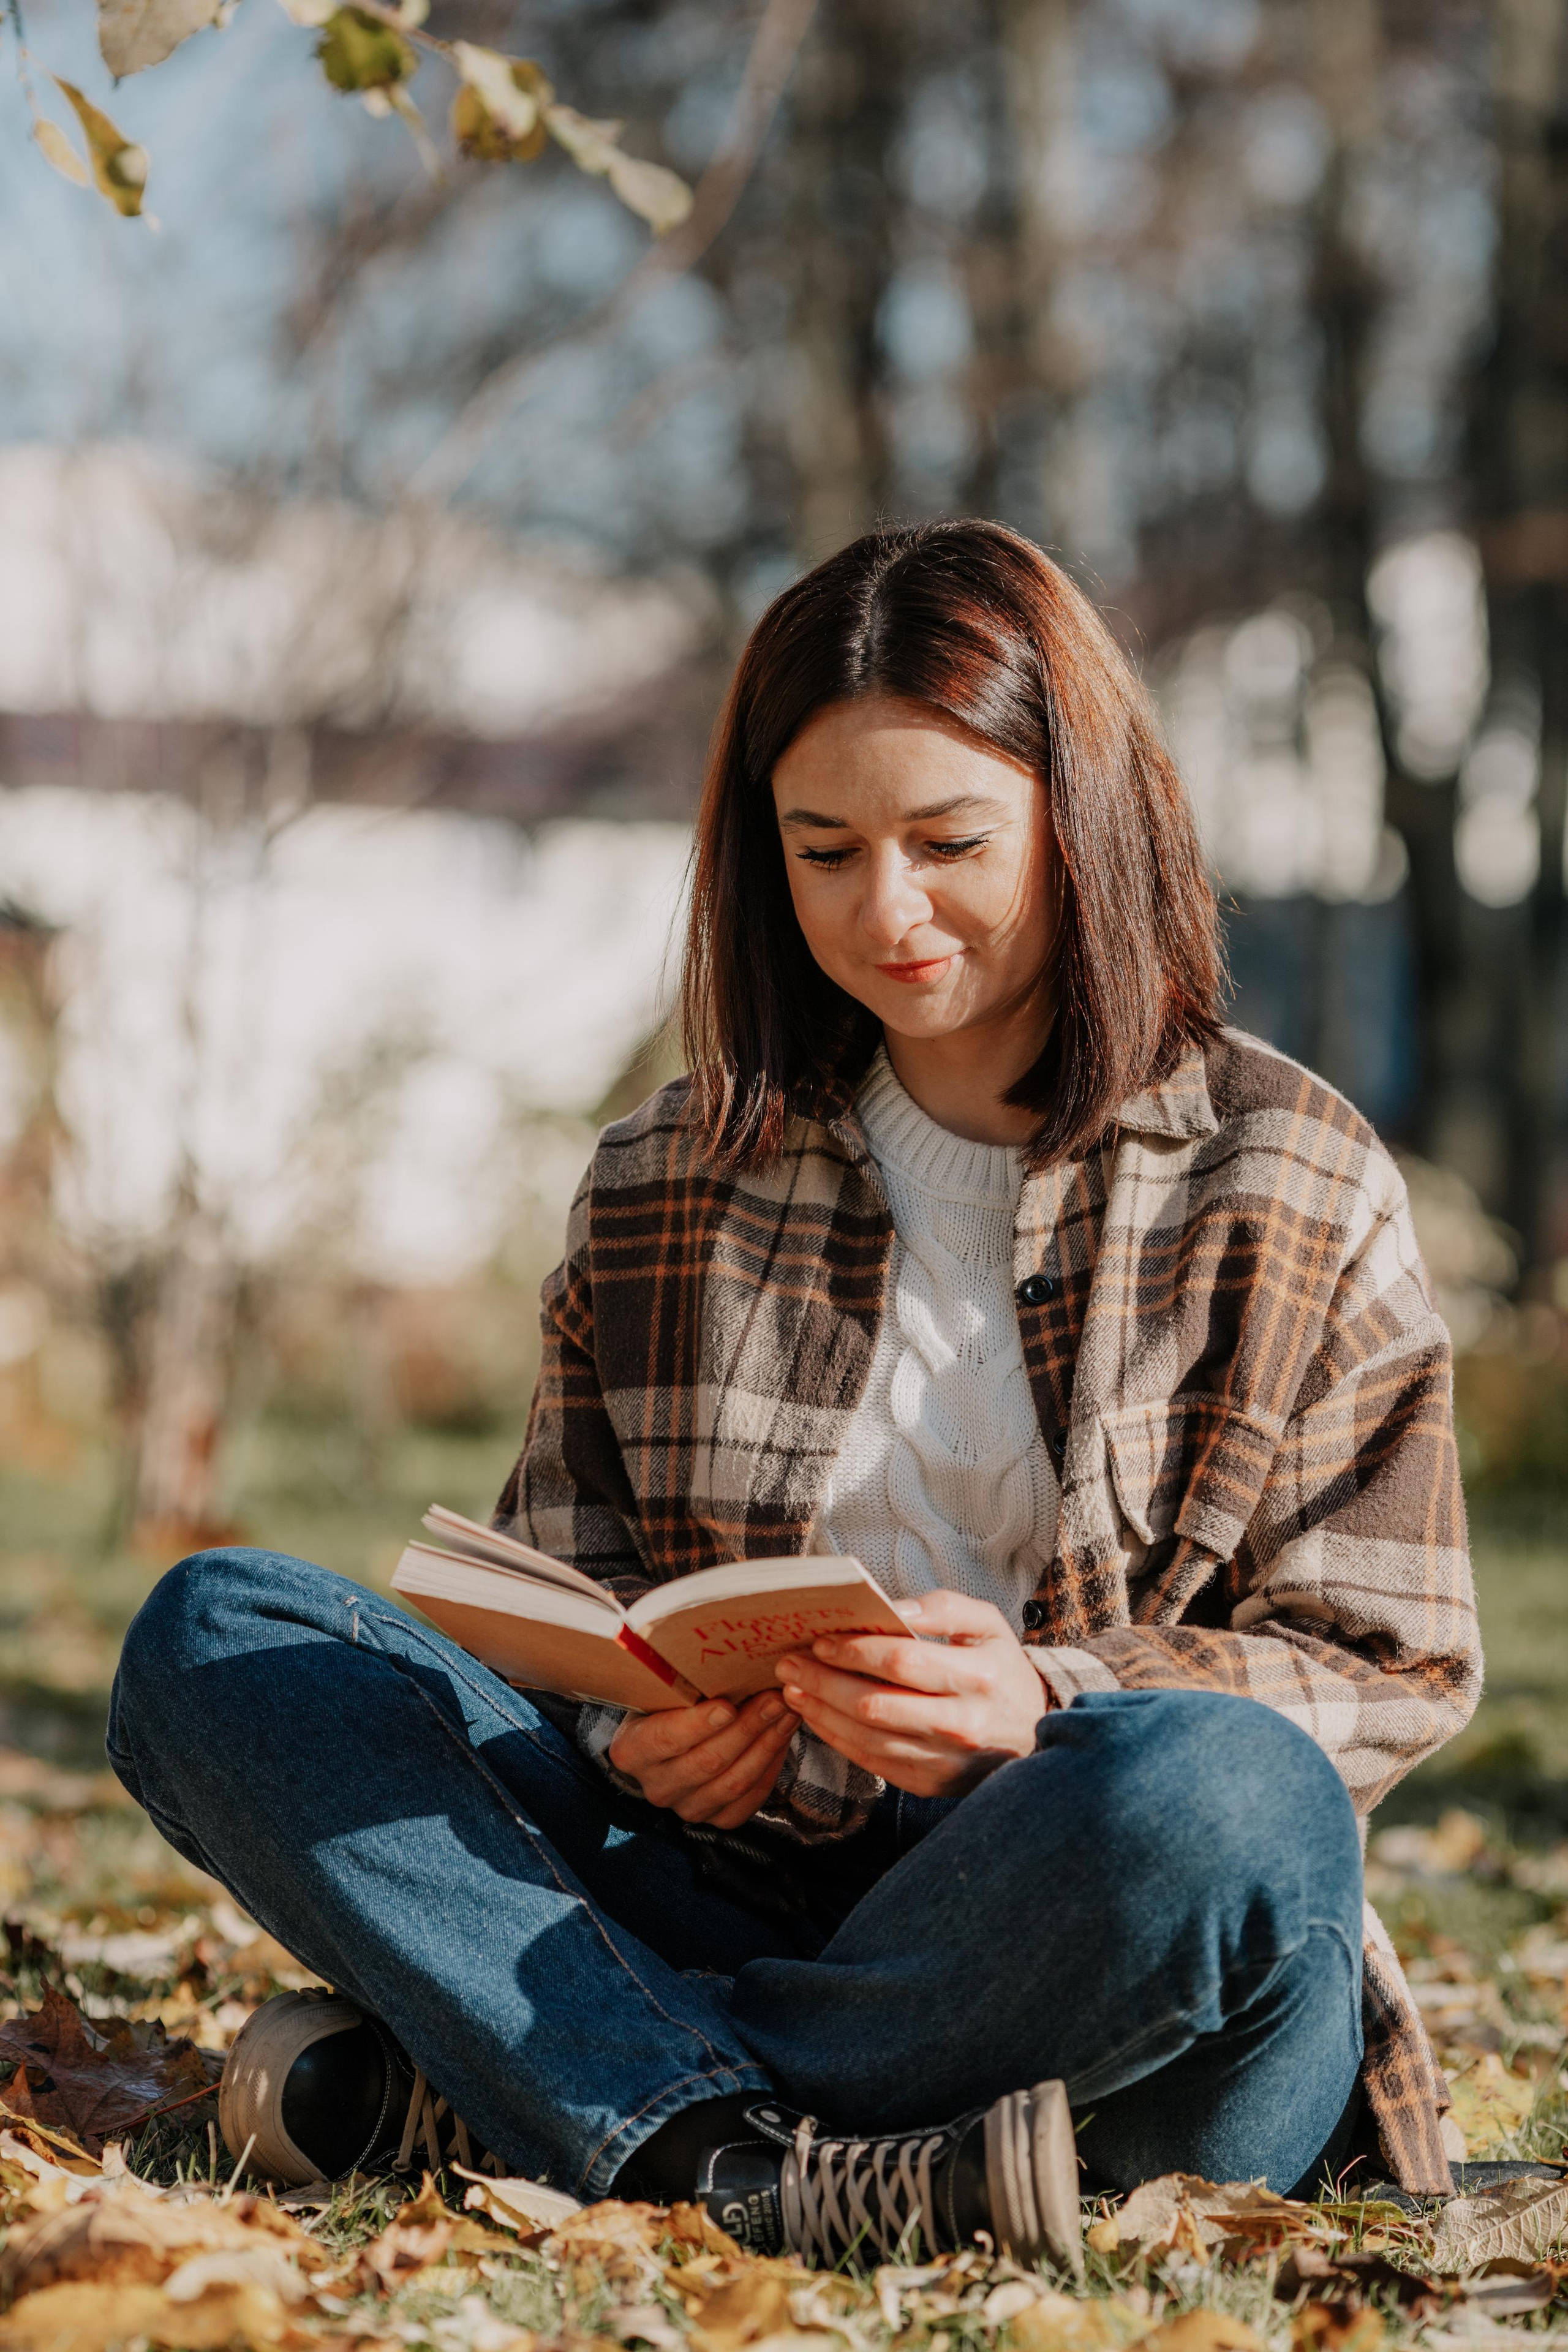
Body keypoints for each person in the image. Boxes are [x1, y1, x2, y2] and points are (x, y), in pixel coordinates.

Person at [108, 521, 1481, 2265]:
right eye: (823, 850)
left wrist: (1048, 1699)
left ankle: (581, 2094)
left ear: (1087, 817)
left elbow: (1397, 1662)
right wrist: (637, 1732)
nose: (885, 910)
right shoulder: (668, 1175)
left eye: (949, 841)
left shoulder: (1289, 1174)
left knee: (1230, 1799)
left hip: (1095, 1947)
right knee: (221, 1635)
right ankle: (749, 2167)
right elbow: (561, 1604)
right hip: (712, 1884)